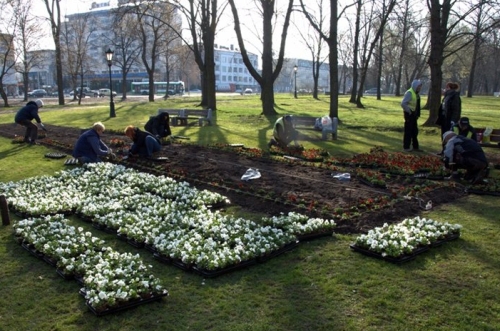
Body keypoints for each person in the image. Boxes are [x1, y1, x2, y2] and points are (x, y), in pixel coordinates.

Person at [401, 79, 423, 152]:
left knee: (414, 131)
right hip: (409, 115)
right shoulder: (409, 93)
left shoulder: (416, 94)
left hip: (414, 115)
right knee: (408, 131)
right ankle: (406, 147)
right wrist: (409, 111)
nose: (420, 88)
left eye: (420, 87)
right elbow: (403, 103)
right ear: (415, 86)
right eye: (419, 87)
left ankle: (415, 147)